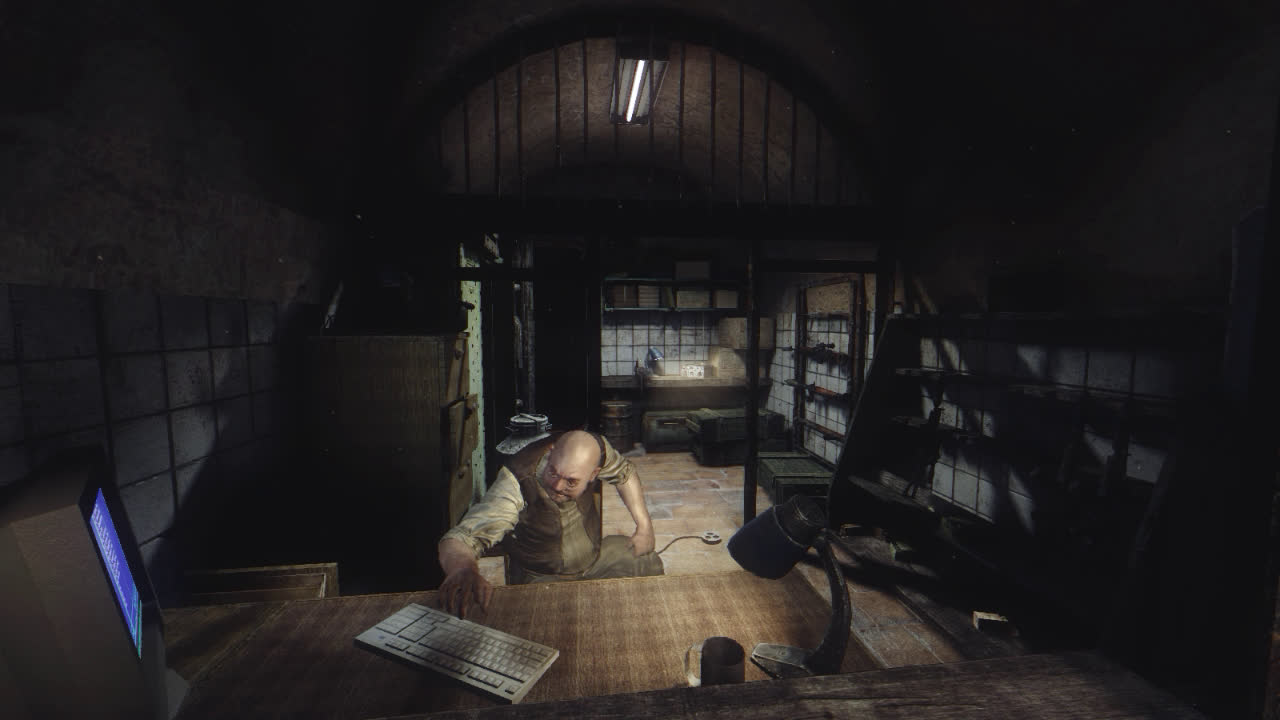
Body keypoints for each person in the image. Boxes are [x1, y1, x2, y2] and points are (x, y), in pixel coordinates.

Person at [437, 429, 663, 618]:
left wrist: (644, 527)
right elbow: (461, 538)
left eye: (571, 482)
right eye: (553, 473)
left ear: (594, 473)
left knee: (646, 559)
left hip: (593, 561)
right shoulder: (517, 480)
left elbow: (624, 472)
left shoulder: (597, 451)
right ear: (551, 452)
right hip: (541, 577)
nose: (557, 486)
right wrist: (463, 567)